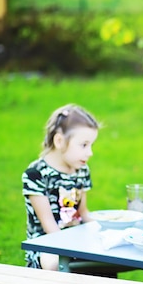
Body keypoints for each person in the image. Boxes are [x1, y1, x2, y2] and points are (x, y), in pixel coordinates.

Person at [22, 103, 99, 271]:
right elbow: (48, 224)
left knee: (106, 257)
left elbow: (83, 212)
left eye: (91, 145)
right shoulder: (36, 174)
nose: (90, 152)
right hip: (46, 245)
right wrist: (75, 248)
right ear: (59, 141)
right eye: (84, 145)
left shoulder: (81, 170)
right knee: (54, 263)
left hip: (77, 240)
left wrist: (103, 232)